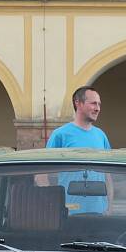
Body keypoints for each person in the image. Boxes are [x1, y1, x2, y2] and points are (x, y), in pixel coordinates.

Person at [46, 86, 112, 214]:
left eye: (99, 104)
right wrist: (53, 204)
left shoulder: (101, 135)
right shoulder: (60, 135)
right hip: (68, 213)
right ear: (78, 103)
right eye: (93, 103)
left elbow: (107, 174)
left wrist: (109, 206)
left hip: (99, 212)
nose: (98, 108)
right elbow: (42, 174)